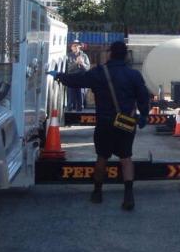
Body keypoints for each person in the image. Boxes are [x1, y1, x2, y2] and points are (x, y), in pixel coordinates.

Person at [51, 41, 150, 210]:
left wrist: (59, 76)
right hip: (126, 123)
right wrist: (144, 115)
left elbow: (77, 80)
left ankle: (97, 192)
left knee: (102, 157)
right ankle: (128, 195)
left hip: (105, 123)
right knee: (126, 158)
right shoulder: (134, 75)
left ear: (110, 53)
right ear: (125, 55)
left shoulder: (99, 73)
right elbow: (143, 97)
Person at [64, 40, 90, 112]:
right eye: (73, 46)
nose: (75, 47)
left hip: (81, 79)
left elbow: (87, 69)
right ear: (71, 47)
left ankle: (80, 111)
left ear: (79, 46)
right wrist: (76, 63)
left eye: (76, 45)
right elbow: (68, 69)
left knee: (80, 98)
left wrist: (82, 63)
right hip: (71, 79)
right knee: (70, 99)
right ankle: (69, 113)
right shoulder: (68, 56)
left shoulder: (84, 56)